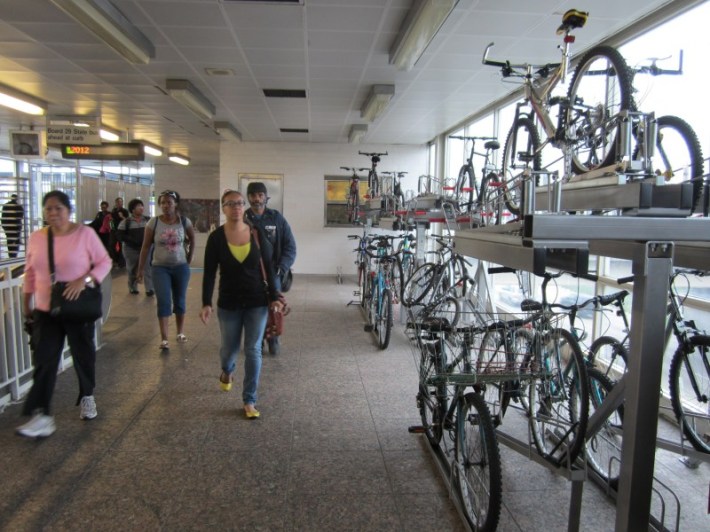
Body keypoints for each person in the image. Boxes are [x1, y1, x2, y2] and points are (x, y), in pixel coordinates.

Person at [16, 190, 112, 438]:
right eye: (48, 208)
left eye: (58, 207)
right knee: (44, 360)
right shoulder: (37, 237)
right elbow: (30, 272)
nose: (53, 213)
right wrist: (27, 303)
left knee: (83, 354)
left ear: (68, 210)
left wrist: (85, 279)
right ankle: (42, 415)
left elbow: (104, 262)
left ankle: (87, 396)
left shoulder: (84, 234)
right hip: (47, 310)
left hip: (77, 306)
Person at [200, 190, 283, 419]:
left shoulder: (256, 234)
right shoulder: (216, 238)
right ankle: (227, 370)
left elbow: (269, 263)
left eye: (239, 203)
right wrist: (206, 303)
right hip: (229, 302)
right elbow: (209, 273)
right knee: (230, 349)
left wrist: (275, 296)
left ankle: (249, 400)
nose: (236, 207)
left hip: (256, 300)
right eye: (230, 204)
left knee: (253, 349)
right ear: (223, 208)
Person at [137, 190, 194, 350]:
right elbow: (146, 246)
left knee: (180, 300)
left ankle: (180, 332)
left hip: (180, 267)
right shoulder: (153, 223)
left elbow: (193, 238)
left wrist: (189, 257)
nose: (165, 206)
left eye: (169, 202)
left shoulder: (184, 221)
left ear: (175, 204)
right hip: (159, 268)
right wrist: (141, 269)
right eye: (162, 203)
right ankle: (164, 338)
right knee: (163, 301)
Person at [244, 182, 296, 355]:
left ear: (266, 197)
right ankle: (257, 339)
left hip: (274, 272)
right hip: (251, 274)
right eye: (253, 195)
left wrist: (283, 267)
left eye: (260, 195)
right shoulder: (243, 219)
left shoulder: (276, 218)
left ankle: (273, 337)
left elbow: (290, 246)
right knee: (255, 307)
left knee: (274, 306)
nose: (256, 199)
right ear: (248, 197)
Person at [116, 198, 154, 296]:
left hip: (145, 249)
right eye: (138, 206)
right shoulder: (126, 222)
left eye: (142, 206)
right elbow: (120, 235)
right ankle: (133, 288)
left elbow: (154, 232)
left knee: (147, 268)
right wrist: (132, 241)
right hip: (130, 249)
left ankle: (149, 289)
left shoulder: (148, 220)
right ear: (132, 209)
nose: (141, 208)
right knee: (132, 268)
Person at [2, 193, 24, 258]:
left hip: (8, 228)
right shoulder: (19, 206)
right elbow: (21, 217)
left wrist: (4, 227)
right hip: (16, 227)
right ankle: (15, 255)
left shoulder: (5, 206)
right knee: (16, 241)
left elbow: (3, 218)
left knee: (9, 241)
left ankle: (11, 255)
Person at [110, 197, 128, 268]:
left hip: (121, 231)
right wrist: (111, 226)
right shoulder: (113, 211)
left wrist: (122, 216)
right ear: (116, 203)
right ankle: (115, 260)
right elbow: (111, 221)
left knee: (121, 246)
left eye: (120, 202)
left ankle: (122, 263)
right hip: (113, 230)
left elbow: (127, 220)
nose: (119, 203)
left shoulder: (124, 211)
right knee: (111, 245)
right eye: (118, 202)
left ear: (122, 203)